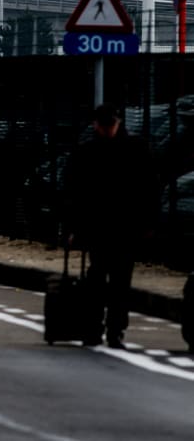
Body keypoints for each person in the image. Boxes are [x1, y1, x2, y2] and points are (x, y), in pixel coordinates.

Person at [64, 103, 158, 349]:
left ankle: (108, 329)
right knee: (110, 280)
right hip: (114, 227)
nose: (106, 129)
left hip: (113, 227)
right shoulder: (135, 149)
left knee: (109, 280)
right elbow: (150, 188)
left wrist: (74, 227)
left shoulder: (89, 152)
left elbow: (75, 192)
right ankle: (104, 329)